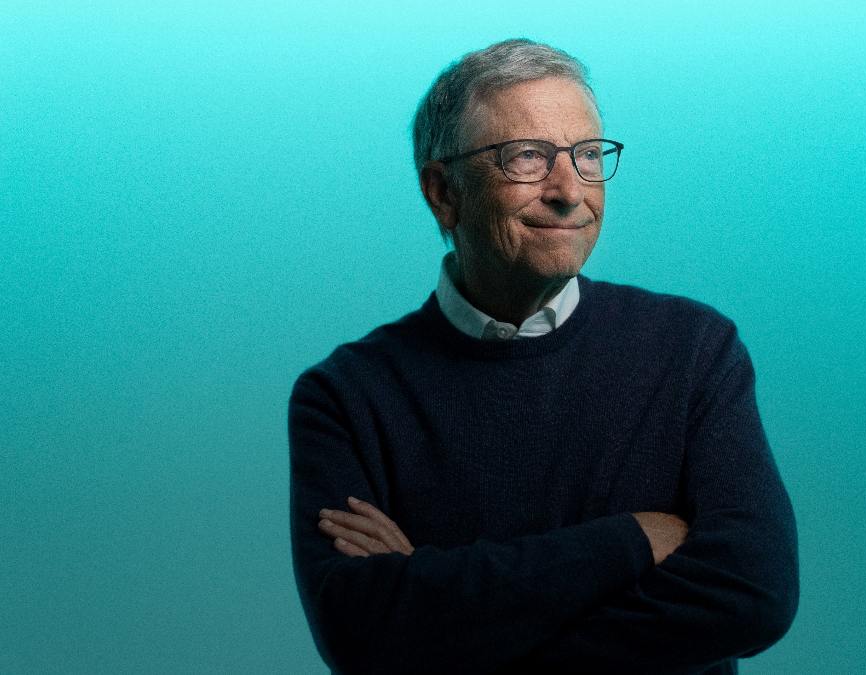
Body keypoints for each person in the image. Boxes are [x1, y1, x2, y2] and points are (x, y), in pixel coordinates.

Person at [288, 38, 798, 674]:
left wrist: (439, 611)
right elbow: (360, 637)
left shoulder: (693, 349)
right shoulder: (346, 395)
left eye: (589, 155)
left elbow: (754, 593)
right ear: (443, 192)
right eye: (528, 156)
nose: (570, 191)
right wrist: (632, 539)